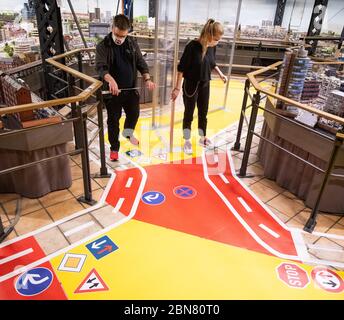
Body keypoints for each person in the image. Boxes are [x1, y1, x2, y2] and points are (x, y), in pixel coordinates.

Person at [96, 14, 156, 161]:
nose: (119, 38)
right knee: (113, 121)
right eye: (117, 34)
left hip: (130, 90)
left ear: (127, 32)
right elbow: (101, 67)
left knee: (134, 114)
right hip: (113, 92)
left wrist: (147, 78)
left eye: (123, 35)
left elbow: (141, 62)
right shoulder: (103, 46)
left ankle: (128, 133)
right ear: (112, 28)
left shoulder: (131, 43)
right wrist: (110, 80)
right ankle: (114, 148)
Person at [171, 19, 228, 155]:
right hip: (191, 85)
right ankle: (187, 140)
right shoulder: (192, 46)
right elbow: (181, 68)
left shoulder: (211, 47)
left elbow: (212, 63)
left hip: (205, 84)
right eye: (215, 39)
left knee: (203, 112)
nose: (217, 42)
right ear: (208, 34)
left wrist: (221, 74)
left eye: (218, 39)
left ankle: (202, 138)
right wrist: (177, 88)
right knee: (188, 114)